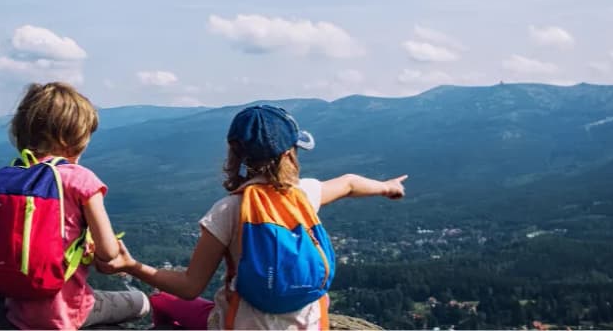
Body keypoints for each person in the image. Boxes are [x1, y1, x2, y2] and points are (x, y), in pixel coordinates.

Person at [98, 104, 406, 329]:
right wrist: (386, 187)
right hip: (311, 324)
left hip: (241, 324)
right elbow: (351, 182)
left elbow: (190, 286)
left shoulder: (227, 211)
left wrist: (131, 265)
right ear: (290, 154)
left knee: (162, 301)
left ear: (237, 157)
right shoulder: (304, 194)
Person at [0, 82, 150, 330]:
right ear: (74, 137)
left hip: (17, 310)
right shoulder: (81, 178)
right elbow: (108, 253)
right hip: (66, 313)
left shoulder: (13, 177)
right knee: (142, 302)